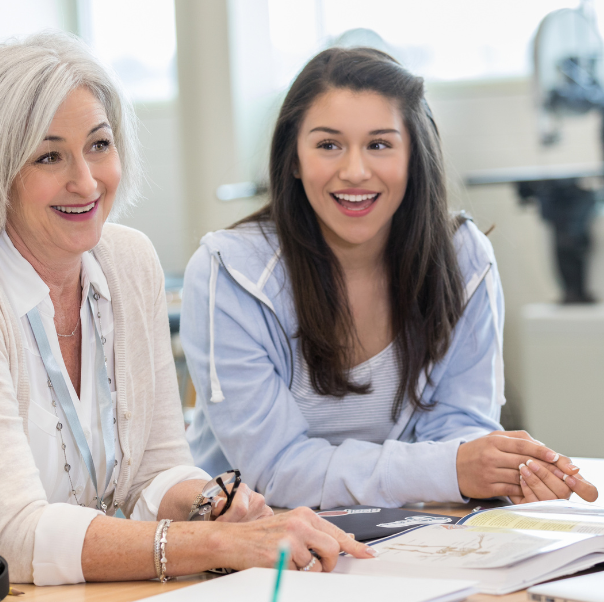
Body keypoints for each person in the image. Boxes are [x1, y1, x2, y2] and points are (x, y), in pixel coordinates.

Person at [0, 32, 373, 586]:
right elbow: (19, 535)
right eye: (49, 155)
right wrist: (219, 541)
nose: (85, 181)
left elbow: (155, 468)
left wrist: (210, 503)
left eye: (99, 145)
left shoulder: (128, 261)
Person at [180, 47, 599, 509]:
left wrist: (492, 468)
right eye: (328, 145)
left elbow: (459, 430)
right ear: (293, 158)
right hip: (251, 547)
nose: (355, 171)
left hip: (400, 532)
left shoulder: (463, 256)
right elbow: (275, 470)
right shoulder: (230, 273)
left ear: (413, 155)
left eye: (379, 144)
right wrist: (449, 469)